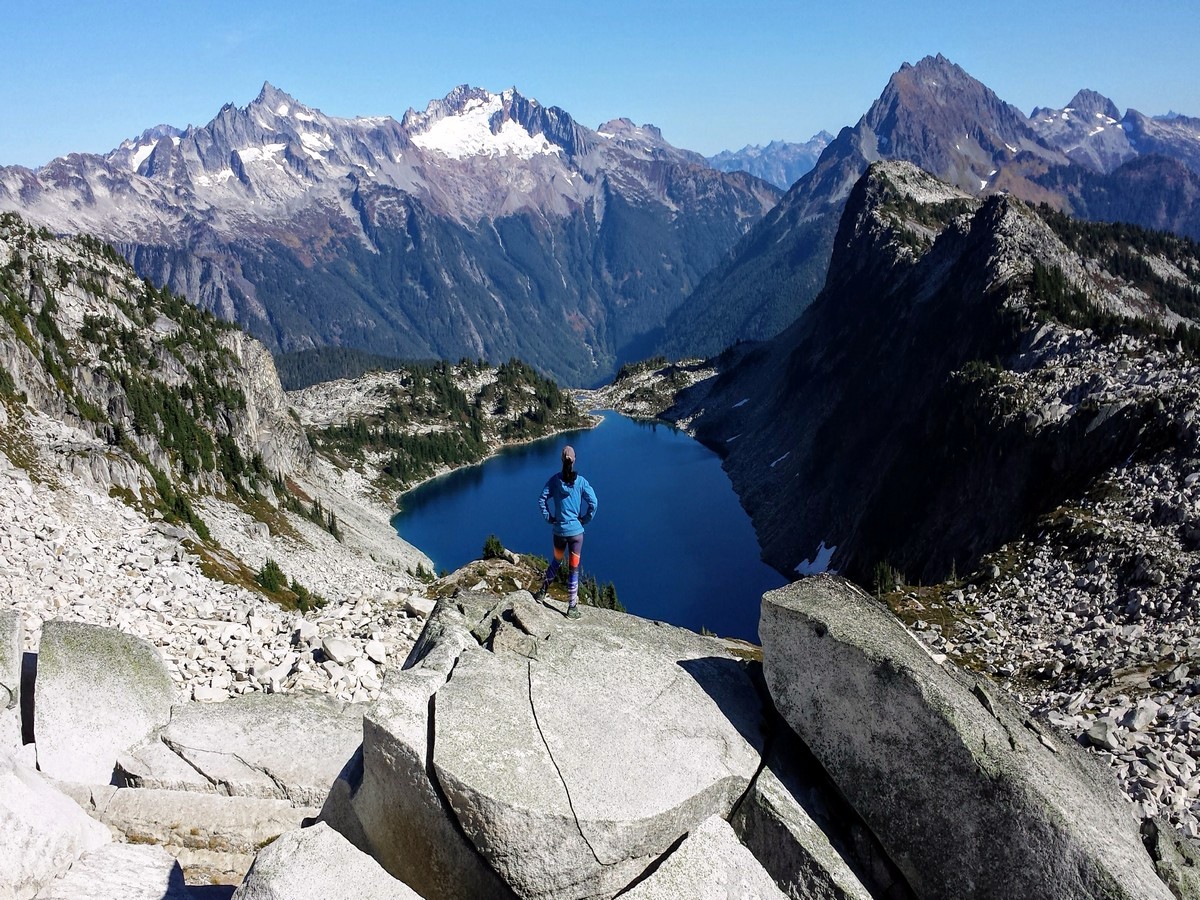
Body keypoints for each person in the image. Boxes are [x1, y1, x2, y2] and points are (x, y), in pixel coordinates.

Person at [535, 445, 597, 619]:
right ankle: (572, 608)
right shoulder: (581, 482)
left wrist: (550, 518)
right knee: (574, 568)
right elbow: (594, 503)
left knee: (556, 561)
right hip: (577, 534)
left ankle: (541, 593)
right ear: (574, 459)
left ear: (562, 460)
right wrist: (585, 519)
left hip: (559, 531)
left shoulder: (555, 480)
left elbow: (542, 500)